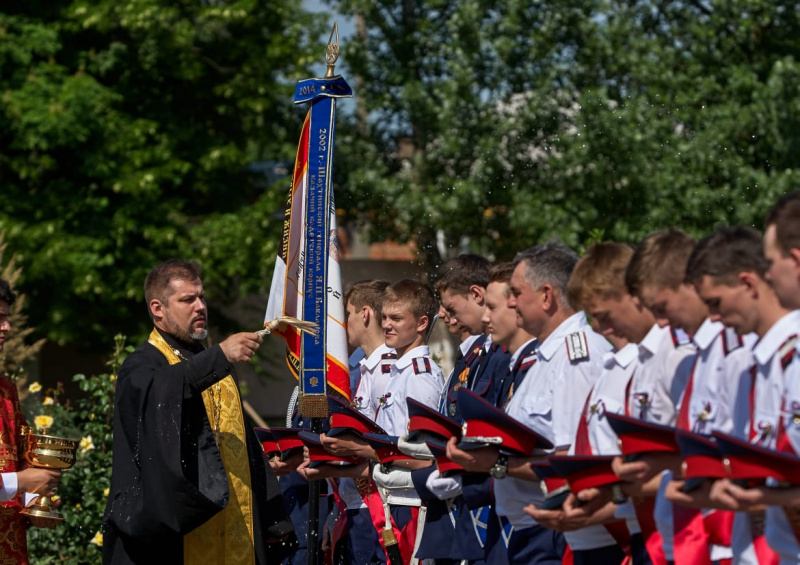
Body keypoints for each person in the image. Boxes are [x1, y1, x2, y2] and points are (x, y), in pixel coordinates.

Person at [102, 259, 296, 565]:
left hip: (234, 533)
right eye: (187, 299)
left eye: (202, 297)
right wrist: (220, 355)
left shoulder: (211, 364)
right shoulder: (142, 366)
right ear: (158, 308)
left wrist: (271, 509)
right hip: (175, 542)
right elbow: (161, 397)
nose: (200, 306)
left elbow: (227, 442)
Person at [448, 240, 611, 565]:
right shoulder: (548, 355)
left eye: (517, 294)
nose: (511, 303)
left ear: (547, 296)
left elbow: (570, 464)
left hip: (557, 533)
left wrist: (493, 464)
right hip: (530, 530)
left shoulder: (574, 356)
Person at [684, 226, 800, 563]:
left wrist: (761, 496)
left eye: (716, 303)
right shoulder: (754, 363)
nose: (715, 318)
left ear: (748, 284)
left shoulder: (790, 358)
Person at [0, 278, 61, 564]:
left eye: (7, 319)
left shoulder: (7, 389)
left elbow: (22, 462)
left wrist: (36, 500)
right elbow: (20, 477)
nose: (7, 328)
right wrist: (22, 482)